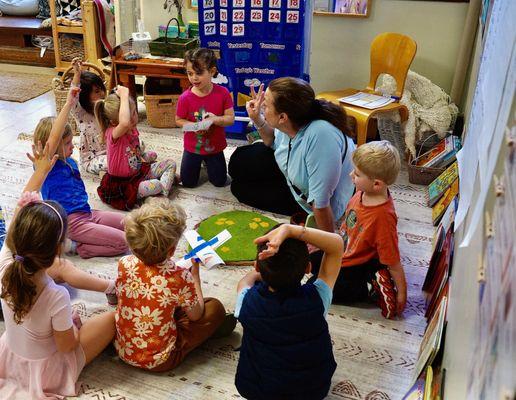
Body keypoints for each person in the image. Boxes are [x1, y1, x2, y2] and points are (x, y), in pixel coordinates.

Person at [0, 141, 116, 399]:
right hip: (46, 371)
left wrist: (40, 171)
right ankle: (112, 292)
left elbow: (19, 215)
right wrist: (72, 325)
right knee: (112, 319)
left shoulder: (5, 264)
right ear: (57, 251)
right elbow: (67, 346)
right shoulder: (55, 296)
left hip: (10, 356)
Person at [114, 197, 235, 372]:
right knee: (214, 308)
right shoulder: (180, 277)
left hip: (124, 350)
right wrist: (195, 278)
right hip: (160, 361)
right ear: (171, 250)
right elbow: (196, 315)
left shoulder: (124, 263)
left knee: (166, 301)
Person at [229, 77, 355, 232]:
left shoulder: (321, 137)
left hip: (312, 199)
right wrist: (257, 118)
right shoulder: (293, 120)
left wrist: (328, 246)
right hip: (294, 170)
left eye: (266, 104)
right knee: (237, 161)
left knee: (240, 189)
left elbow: (321, 204)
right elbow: (270, 141)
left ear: (282, 117)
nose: (261, 105)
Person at [234, 224, 343, 400]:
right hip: (312, 391)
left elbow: (244, 283)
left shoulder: (247, 301)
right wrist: (291, 230)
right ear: (308, 268)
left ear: (256, 267)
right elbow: (336, 245)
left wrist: (260, 274)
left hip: (258, 390)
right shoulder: (317, 298)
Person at [311, 141, 407, 319]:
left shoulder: (383, 217)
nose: (350, 175)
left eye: (357, 174)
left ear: (377, 184)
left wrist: (402, 293)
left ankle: (370, 287)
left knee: (315, 289)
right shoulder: (363, 191)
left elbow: (393, 260)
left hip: (357, 265)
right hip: (343, 250)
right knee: (310, 261)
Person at [36, 87, 128, 259]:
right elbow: (53, 139)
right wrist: (69, 104)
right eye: (67, 143)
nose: (73, 146)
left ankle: (85, 239)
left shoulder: (70, 161)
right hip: (71, 222)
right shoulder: (46, 165)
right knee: (123, 243)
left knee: (129, 224)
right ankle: (78, 247)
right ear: (53, 145)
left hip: (87, 212)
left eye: (72, 141)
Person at [95, 85, 177, 210]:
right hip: (124, 184)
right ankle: (160, 193)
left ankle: (161, 195)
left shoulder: (132, 129)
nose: (133, 118)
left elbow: (135, 151)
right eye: (129, 115)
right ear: (113, 122)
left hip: (138, 172)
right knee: (157, 185)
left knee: (169, 162)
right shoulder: (113, 133)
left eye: (134, 112)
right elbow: (124, 123)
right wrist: (124, 95)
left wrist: (142, 159)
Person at [175, 48, 235, 188]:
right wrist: (194, 127)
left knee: (220, 182)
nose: (194, 78)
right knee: (188, 183)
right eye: (190, 73)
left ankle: (206, 164)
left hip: (215, 148)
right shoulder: (185, 98)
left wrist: (215, 119)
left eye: (199, 73)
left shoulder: (223, 93)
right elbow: (178, 120)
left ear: (212, 72)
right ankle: (200, 163)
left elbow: (230, 119)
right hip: (192, 148)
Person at [70, 57, 108, 175]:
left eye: (102, 89)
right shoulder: (81, 114)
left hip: (112, 151)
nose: (102, 93)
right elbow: (72, 97)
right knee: (111, 162)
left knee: (138, 145)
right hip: (92, 159)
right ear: (85, 96)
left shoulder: (105, 108)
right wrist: (77, 74)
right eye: (97, 91)